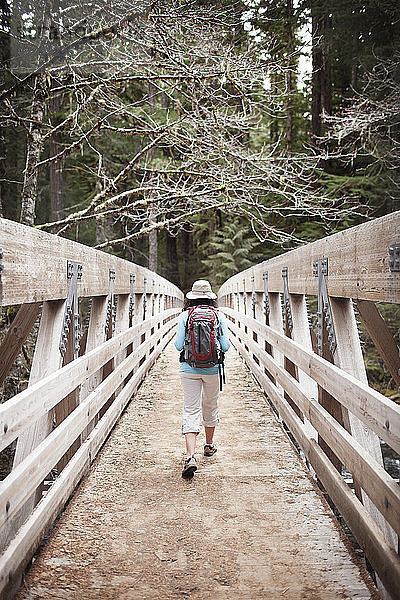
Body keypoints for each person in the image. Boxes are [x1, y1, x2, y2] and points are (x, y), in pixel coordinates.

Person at [174, 279, 230, 478]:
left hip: (188, 369)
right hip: (213, 369)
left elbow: (178, 345)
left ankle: (190, 456)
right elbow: (225, 347)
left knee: (190, 409)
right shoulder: (218, 316)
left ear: (191, 298)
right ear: (210, 298)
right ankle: (208, 445)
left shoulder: (185, 316)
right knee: (210, 405)